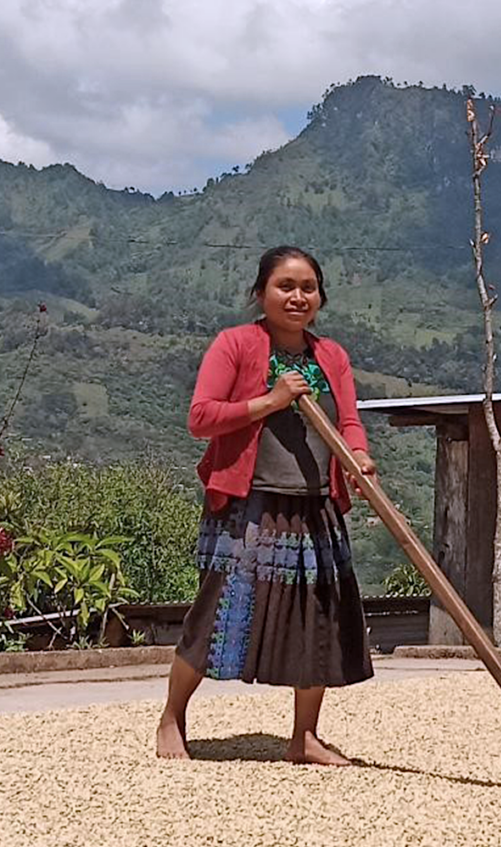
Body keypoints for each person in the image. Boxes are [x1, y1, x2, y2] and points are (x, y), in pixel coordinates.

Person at [156, 246, 377, 765]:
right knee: (218, 613)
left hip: (315, 506)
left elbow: (348, 422)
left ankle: (304, 736)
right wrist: (271, 401)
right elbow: (201, 417)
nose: (297, 297)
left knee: (318, 620)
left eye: (308, 287)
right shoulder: (235, 345)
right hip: (248, 505)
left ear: (320, 297)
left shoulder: (332, 357)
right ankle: (172, 717)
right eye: (285, 286)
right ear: (260, 292)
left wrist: (359, 457)